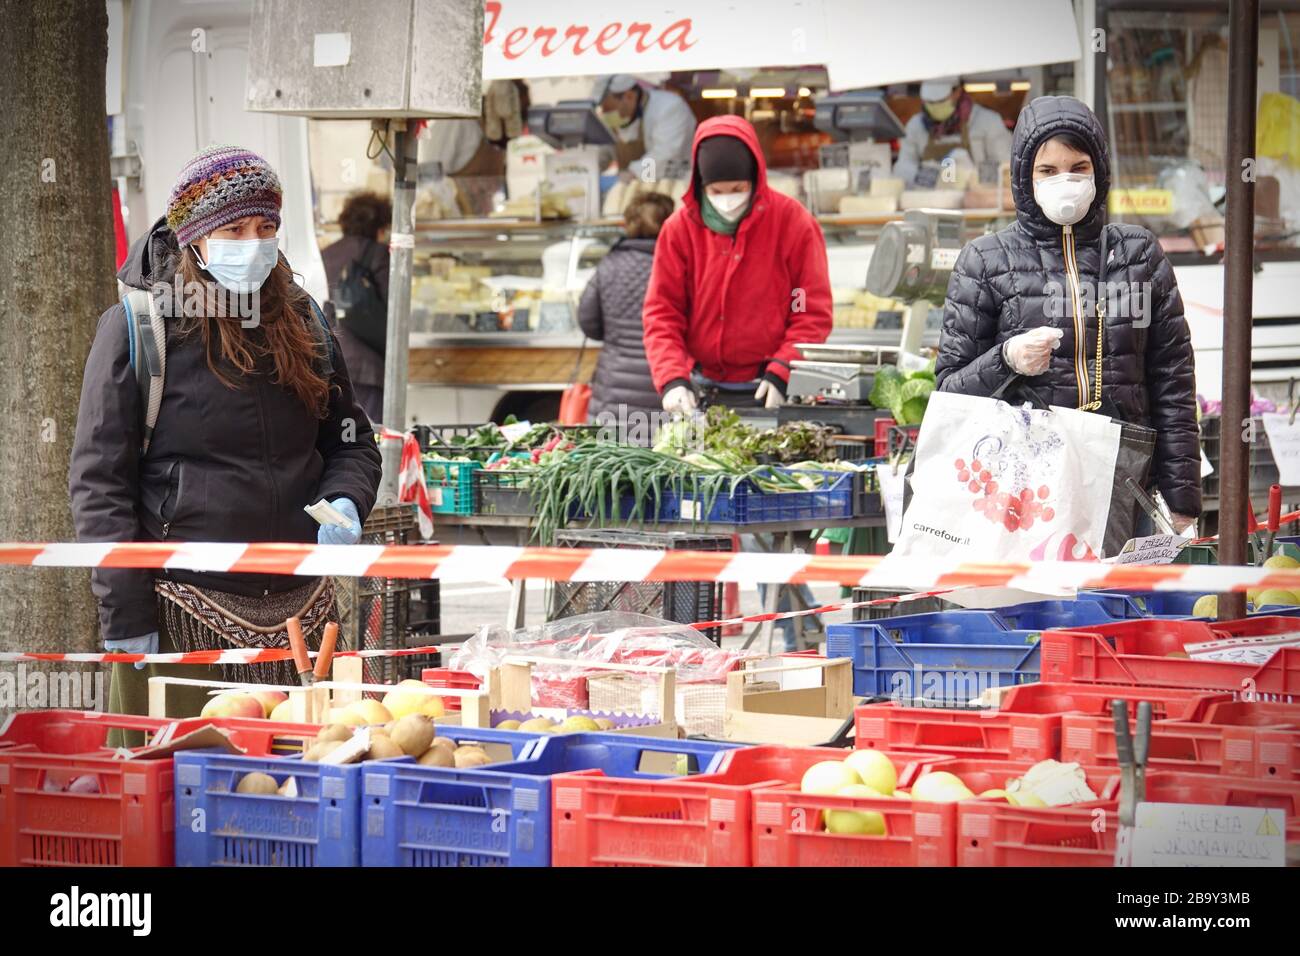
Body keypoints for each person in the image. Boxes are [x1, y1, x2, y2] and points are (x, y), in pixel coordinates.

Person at [69, 146, 383, 732]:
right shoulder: (140, 327)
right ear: (195, 237)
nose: (254, 243)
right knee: (177, 788)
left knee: (299, 785)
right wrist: (125, 614)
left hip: (303, 618)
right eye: (234, 228)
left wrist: (346, 499)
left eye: (266, 227)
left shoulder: (303, 319)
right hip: (182, 617)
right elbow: (100, 483)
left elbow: (350, 439)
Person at [935, 95, 1201, 537]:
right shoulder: (984, 261)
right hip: (1022, 498)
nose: (1066, 180)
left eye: (1078, 167)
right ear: (1025, 177)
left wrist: (1182, 497)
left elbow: (1172, 381)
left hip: (1125, 487)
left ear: (1098, 170)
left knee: (1120, 605)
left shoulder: (1138, 255)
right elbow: (948, 394)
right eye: (1047, 170)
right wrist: (1007, 360)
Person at [642, 115, 832, 411]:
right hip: (699, 389)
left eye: (738, 188)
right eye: (717, 192)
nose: (728, 200)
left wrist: (784, 368)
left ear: (755, 178)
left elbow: (807, 308)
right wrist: (671, 378)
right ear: (701, 185)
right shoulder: (679, 230)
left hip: (769, 388)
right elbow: (663, 313)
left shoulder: (792, 222)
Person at [577, 192, 675, 442]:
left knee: (613, 469)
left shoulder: (610, 263)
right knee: (661, 466)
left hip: (613, 391)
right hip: (665, 385)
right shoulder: (677, 265)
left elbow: (588, 322)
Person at [321, 190, 391, 423]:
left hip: (331, 359)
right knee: (370, 436)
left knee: (340, 436)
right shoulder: (379, 254)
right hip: (367, 366)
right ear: (380, 226)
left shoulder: (325, 254)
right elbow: (393, 305)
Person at [893, 76, 1013, 188]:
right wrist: (921, 176)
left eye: (941, 101)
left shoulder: (987, 121)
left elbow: (1006, 166)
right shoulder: (916, 125)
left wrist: (974, 176)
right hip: (931, 201)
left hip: (977, 201)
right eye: (930, 103)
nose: (935, 106)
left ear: (957, 92)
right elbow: (903, 164)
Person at [593, 74, 696, 182]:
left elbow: (665, 155)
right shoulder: (620, 119)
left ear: (629, 96)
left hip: (673, 185)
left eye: (609, 109)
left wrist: (633, 174)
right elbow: (604, 150)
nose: (605, 114)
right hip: (635, 189)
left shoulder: (670, 107)